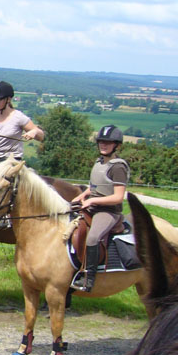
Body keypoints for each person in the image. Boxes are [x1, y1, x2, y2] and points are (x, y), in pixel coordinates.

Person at [70, 125, 129, 292]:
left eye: (108, 143)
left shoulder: (118, 167)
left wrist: (92, 202)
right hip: (93, 205)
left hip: (108, 211)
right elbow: (94, 186)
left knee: (93, 238)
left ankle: (89, 278)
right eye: (101, 142)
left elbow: (118, 196)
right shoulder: (99, 162)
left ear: (116, 145)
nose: (103, 145)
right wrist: (82, 196)